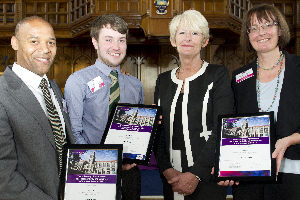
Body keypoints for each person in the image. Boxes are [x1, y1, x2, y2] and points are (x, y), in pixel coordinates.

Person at [154, 10, 234, 200]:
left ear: (204, 41)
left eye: (195, 33)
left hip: (207, 174)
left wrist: (196, 173)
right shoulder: (163, 80)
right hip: (171, 176)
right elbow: (157, 128)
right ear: (173, 40)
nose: (188, 38)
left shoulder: (218, 75)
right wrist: (166, 170)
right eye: (182, 33)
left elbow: (222, 127)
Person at [64, 14, 144, 200]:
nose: (116, 47)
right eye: (108, 39)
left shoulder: (135, 84)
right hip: (91, 171)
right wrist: (109, 162)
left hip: (130, 172)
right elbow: (74, 133)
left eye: (121, 40)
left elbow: (137, 133)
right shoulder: (78, 81)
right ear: (95, 42)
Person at [0, 16, 75, 200]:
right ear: (15, 43)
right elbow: (4, 177)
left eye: (51, 42)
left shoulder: (53, 88)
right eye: (34, 41)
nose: (45, 50)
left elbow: (63, 145)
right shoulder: (2, 94)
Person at [232, 4, 300, 200]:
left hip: (294, 174)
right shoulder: (239, 78)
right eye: (254, 28)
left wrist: (290, 139)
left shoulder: (298, 68)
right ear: (248, 35)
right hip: (250, 179)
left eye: (267, 25)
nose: (261, 33)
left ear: (280, 29)